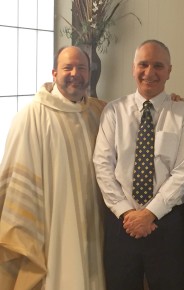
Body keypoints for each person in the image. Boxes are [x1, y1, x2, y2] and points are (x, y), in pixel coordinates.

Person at [93, 39, 184, 290]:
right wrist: (128, 213)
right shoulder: (113, 111)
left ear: (169, 71)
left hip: (165, 222)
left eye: (158, 65)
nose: (149, 72)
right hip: (121, 222)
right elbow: (103, 166)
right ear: (133, 68)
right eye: (143, 64)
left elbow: (183, 172)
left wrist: (150, 213)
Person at [0, 46, 106, 290]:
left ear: (89, 74)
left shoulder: (98, 112)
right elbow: (18, 180)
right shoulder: (31, 116)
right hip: (52, 224)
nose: (74, 73)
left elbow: (133, 112)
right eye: (67, 67)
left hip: (94, 220)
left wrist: (170, 103)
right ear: (54, 73)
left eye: (81, 68)